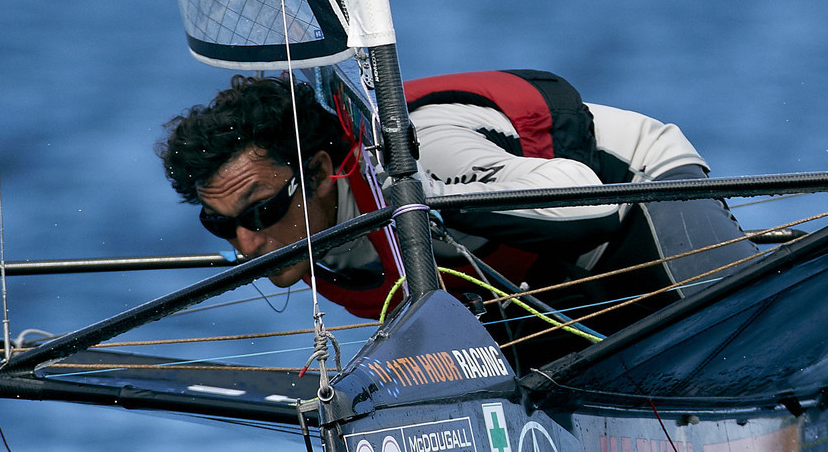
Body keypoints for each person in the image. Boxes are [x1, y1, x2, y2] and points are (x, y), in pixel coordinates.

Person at [157, 69, 708, 331]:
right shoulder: (311, 237)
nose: (248, 243)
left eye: (263, 211)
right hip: (532, 283)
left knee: (729, 323)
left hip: (643, 196)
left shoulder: (417, 151)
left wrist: (420, 201)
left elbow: (588, 208)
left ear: (321, 172)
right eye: (220, 225)